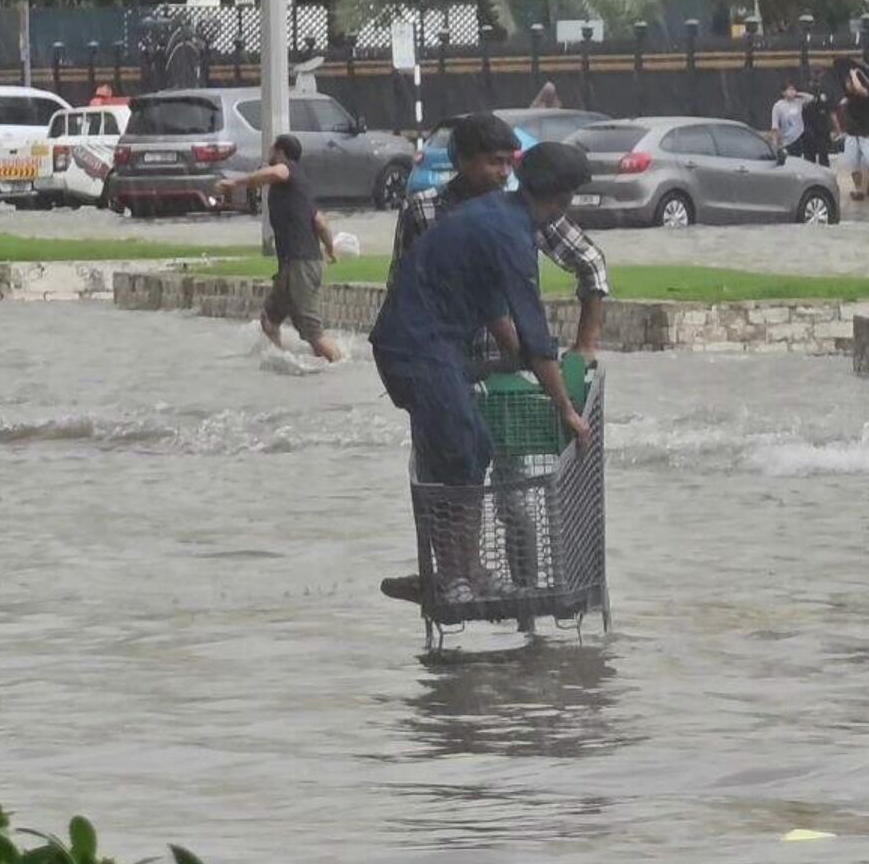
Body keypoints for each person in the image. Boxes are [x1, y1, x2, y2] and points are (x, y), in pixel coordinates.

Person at [371, 143, 594, 604]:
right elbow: (535, 334)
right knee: (459, 450)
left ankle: (462, 570)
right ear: (562, 200)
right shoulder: (511, 235)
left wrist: (518, 360)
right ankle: (456, 575)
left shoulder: (495, 213)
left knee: (471, 448)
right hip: (417, 347)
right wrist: (567, 410)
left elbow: (496, 311)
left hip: (426, 345)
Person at [390, 112, 610, 364]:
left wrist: (585, 346)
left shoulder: (526, 207)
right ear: (461, 160)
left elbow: (591, 262)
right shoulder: (422, 210)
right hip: (442, 361)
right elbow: (401, 286)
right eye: (494, 162)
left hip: (511, 363)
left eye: (509, 163)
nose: (504, 173)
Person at [218, 135, 342, 361]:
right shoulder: (301, 184)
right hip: (294, 265)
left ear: (281, 151)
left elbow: (276, 173)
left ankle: (339, 367)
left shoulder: (287, 170)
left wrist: (237, 182)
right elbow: (320, 222)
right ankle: (285, 362)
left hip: (300, 266)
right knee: (269, 321)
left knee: (314, 334)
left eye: (273, 147)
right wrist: (330, 249)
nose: (269, 150)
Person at [839, 66, 869, 200]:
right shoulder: (848, 98)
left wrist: (854, 73)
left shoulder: (868, 94)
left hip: (866, 133)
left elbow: (860, 90)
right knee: (853, 164)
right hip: (852, 134)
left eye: (851, 82)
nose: (849, 84)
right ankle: (858, 190)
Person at [798, 79, 835, 167]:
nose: (815, 83)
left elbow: (830, 111)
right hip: (808, 130)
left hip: (822, 130)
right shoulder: (803, 91)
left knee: (823, 157)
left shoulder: (827, 91)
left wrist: (836, 128)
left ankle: (825, 177)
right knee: (809, 159)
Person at [770, 81, 806, 157]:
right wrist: (775, 145)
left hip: (799, 139)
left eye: (793, 89)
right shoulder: (778, 106)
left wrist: (798, 94)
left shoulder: (798, 102)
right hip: (786, 141)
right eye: (790, 89)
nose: (792, 91)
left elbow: (811, 98)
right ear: (783, 92)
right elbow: (775, 127)